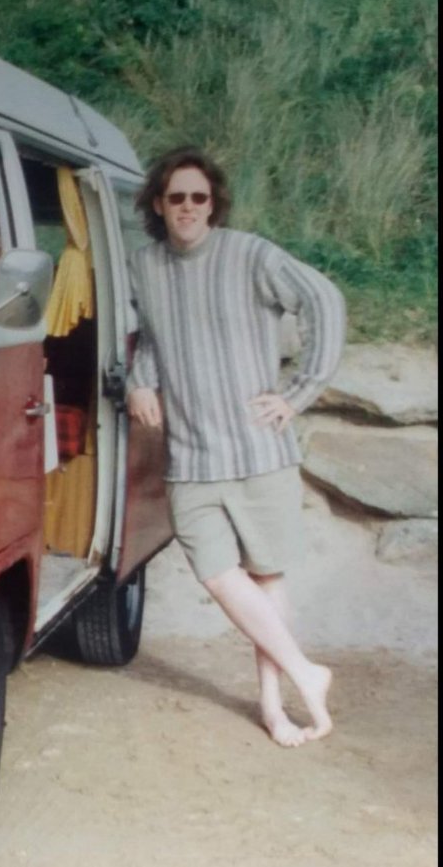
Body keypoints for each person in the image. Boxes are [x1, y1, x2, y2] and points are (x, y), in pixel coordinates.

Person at [126, 146, 345, 747]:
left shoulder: (249, 253)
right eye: (177, 198)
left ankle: (276, 707)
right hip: (191, 459)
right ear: (157, 204)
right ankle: (307, 672)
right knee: (220, 575)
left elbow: (324, 300)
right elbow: (152, 333)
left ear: (214, 203)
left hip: (257, 451)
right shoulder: (144, 264)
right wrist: (141, 378)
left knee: (266, 577)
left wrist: (298, 394)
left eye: (200, 197)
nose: (189, 208)